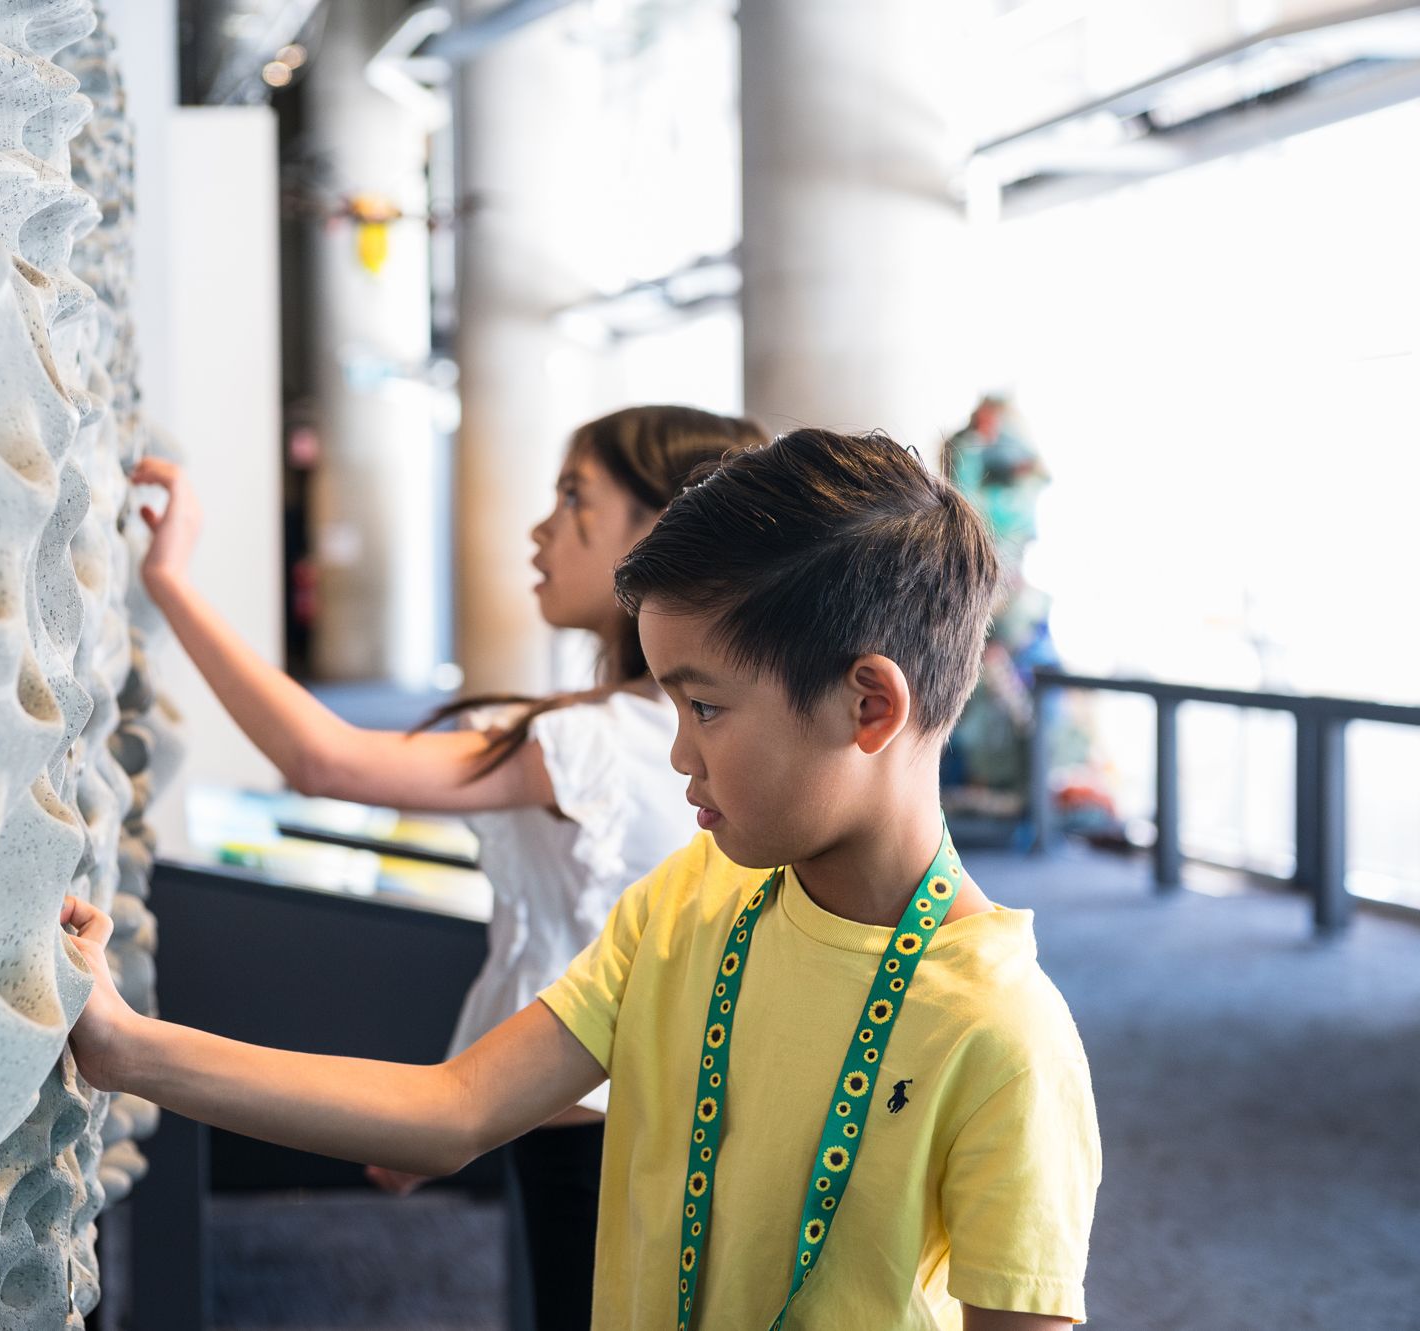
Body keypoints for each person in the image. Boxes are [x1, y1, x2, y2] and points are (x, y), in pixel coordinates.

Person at [72, 429, 1100, 1329]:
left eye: (703, 708)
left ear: (866, 705)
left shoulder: (999, 1033)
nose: (676, 754)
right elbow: (453, 1105)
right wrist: (130, 1048)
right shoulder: (684, 902)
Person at [127, 404, 770, 1329]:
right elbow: (550, 949)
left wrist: (173, 581)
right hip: (604, 1123)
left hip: (594, 1141)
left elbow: (326, 761)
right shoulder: (628, 730)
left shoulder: (589, 742)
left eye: (573, 500)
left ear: (661, 529)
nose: (540, 529)